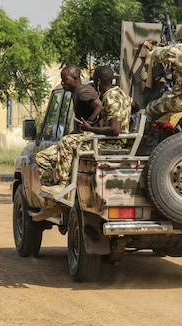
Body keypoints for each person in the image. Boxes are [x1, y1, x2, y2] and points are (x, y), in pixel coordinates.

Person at [33, 66, 132, 220]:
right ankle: (52, 204)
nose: (62, 82)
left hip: (111, 143)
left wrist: (89, 127)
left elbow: (115, 130)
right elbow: (136, 106)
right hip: (114, 141)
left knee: (67, 141)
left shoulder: (107, 96)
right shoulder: (122, 95)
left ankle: (63, 184)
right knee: (43, 156)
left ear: (98, 81)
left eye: (65, 79)